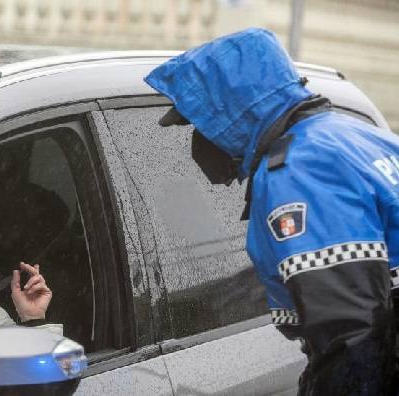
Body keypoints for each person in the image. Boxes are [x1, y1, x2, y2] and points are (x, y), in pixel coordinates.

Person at [144, 27, 398, 395]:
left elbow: (351, 332)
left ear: (231, 113)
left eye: (198, 123)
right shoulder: (357, 139)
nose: (197, 139)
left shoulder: (300, 171)